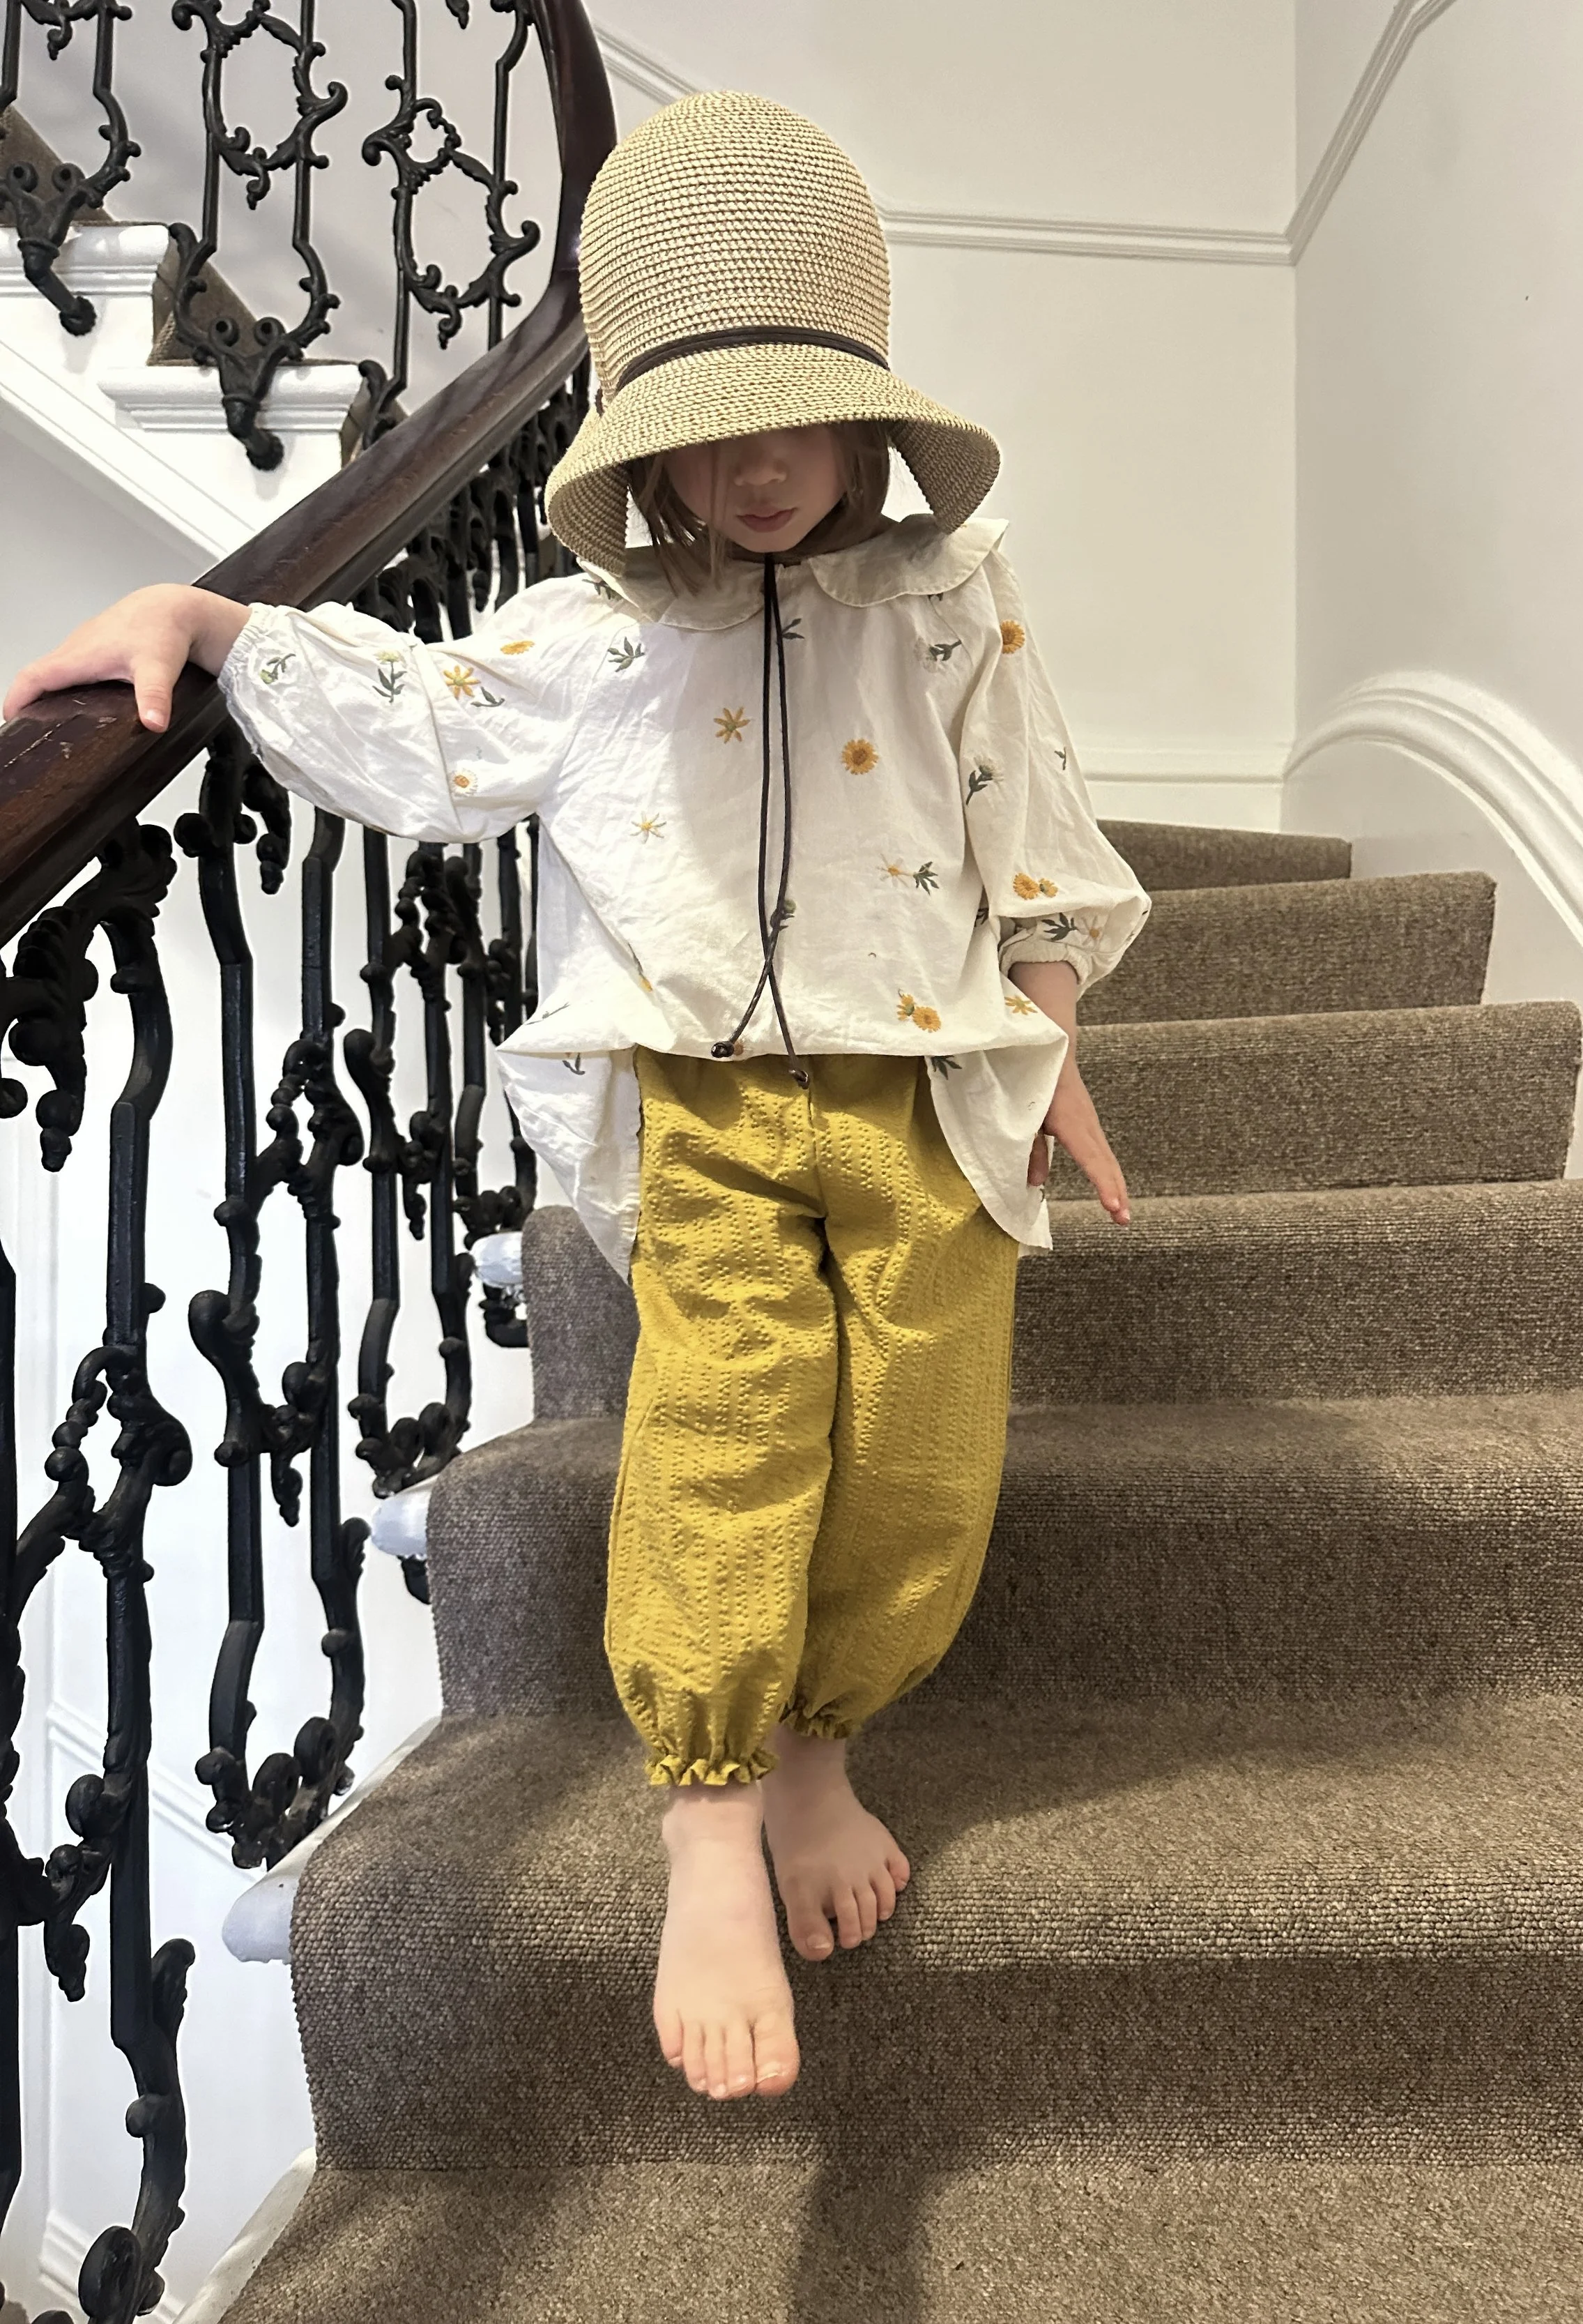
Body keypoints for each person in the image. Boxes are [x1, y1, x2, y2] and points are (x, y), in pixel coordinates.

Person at [3, 89, 1150, 2106]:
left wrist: (1052, 1035)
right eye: (706, 426)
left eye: (793, 412)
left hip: (928, 1092)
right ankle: (706, 1811)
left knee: (917, 1459)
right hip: (704, 1103)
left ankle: (819, 1749)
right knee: (726, 1430)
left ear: (864, 407)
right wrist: (212, 624)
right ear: (638, 440)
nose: (758, 462)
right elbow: (417, 721)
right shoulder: (594, 628)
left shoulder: (952, 598)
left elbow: (1022, 817)